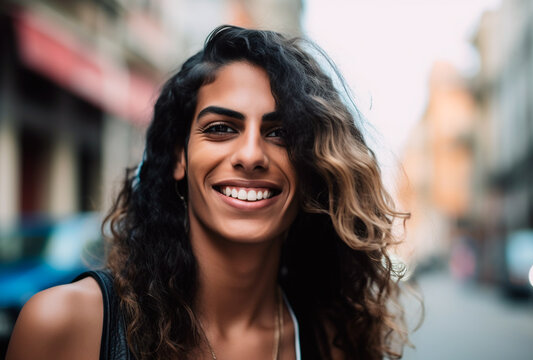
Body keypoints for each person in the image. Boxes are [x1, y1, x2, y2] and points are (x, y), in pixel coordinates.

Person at [6, 25, 411, 360]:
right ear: (180, 158)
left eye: (281, 134)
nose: (251, 154)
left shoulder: (331, 340)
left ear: (310, 168)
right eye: (221, 128)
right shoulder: (66, 326)